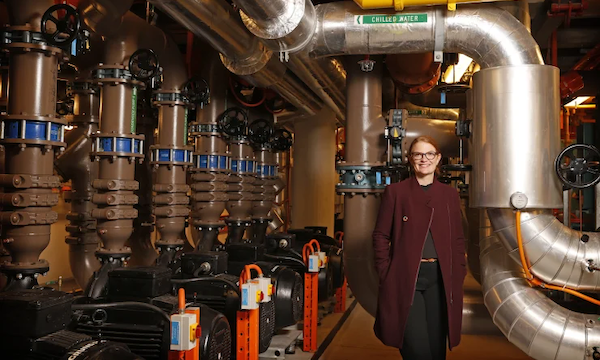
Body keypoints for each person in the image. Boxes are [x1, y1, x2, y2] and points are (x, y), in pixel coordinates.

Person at [372, 136, 467, 360]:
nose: (424, 159)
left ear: (438, 158)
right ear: (410, 159)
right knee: (418, 351)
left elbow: (458, 239)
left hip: (440, 280)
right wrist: (387, 272)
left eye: (429, 154)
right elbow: (380, 235)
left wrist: (459, 272)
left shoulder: (449, 195)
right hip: (406, 279)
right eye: (418, 154)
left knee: (436, 352)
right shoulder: (396, 192)